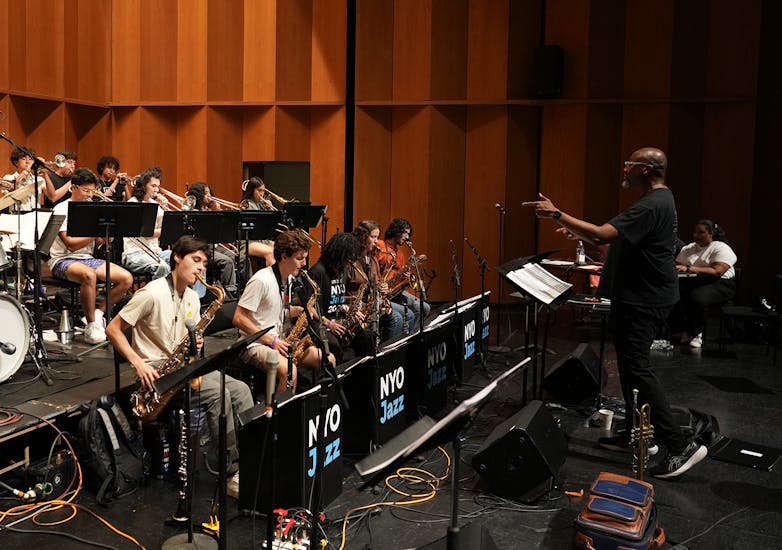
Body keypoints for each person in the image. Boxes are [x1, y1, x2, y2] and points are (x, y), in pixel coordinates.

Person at [523, 146, 707, 479]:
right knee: (629, 367)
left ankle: (680, 446)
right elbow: (615, 244)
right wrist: (580, 232)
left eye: (630, 165)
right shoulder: (657, 201)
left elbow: (602, 233)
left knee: (638, 369)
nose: (625, 170)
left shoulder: (652, 203)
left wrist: (555, 213)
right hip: (641, 296)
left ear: (647, 169)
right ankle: (639, 437)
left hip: (645, 299)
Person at [106, 235, 253, 497]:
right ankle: (230, 472)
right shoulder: (150, 293)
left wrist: (196, 345)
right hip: (157, 375)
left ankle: (249, 462)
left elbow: (190, 338)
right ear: (176, 258)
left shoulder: (193, 299)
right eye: (195, 260)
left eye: (204, 263)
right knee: (218, 395)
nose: (201, 268)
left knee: (241, 389)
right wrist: (138, 363)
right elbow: (113, 329)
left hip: (182, 369)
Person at [233, 229, 335, 394]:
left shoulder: (287, 279)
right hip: (255, 344)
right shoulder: (261, 280)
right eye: (299, 258)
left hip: (280, 340)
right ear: (284, 256)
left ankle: (315, 408)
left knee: (328, 359)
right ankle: (281, 416)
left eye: (305, 258)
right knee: (289, 370)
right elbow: (238, 318)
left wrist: (299, 311)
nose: (304, 264)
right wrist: (271, 341)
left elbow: (272, 310)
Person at [47, 168, 134, 344]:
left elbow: (100, 242)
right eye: (86, 190)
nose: (89, 195)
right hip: (62, 259)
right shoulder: (61, 209)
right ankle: (92, 326)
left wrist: (109, 233)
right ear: (73, 187)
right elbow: (70, 245)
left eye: (92, 191)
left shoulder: (91, 209)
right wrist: (96, 233)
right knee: (89, 275)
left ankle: (98, 313)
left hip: (87, 259)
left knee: (126, 278)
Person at [671, 219, 738, 348]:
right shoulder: (689, 248)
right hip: (696, 281)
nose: (696, 235)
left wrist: (690, 268)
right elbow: (678, 265)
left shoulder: (720, 247)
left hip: (721, 283)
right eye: (695, 232)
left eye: (701, 232)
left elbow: (717, 271)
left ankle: (697, 332)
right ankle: (681, 329)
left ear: (711, 233)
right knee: (671, 293)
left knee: (697, 297)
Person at [309, 232, 370, 360]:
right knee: (334, 345)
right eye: (348, 257)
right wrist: (330, 324)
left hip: (338, 318)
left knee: (366, 337)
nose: (351, 261)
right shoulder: (318, 272)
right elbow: (310, 308)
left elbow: (335, 299)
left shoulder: (343, 270)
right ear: (339, 253)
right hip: (321, 322)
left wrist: (349, 309)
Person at [351, 220, 414, 342]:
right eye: (373, 237)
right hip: (362, 302)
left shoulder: (372, 257)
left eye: (377, 237)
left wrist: (382, 286)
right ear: (363, 237)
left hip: (374, 299)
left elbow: (377, 280)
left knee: (409, 314)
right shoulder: (353, 259)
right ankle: (385, 354)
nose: (376, 241)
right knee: (396, 318)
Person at [377, 217, 430, 332]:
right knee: (409, 314)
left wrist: (404, 277)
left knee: (424, 308)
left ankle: (412, 336)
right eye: (405, 232)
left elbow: (400, 279)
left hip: (395, 291)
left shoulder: (400, 254)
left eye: (409, 234)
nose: (407, 237)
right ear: (396, 230)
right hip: (382, 292)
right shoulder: (380, 245)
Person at [185, 182, 237, 297]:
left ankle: (232, 288)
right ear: (199, 195)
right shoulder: (194, 211)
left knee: (234, 256)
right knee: (227, 261)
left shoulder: (208, 209)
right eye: (206, 193)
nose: (209, 196)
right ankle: (229, 293)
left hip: (214, 247)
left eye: (209, 192)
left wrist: (217, 212)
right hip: (202, 249)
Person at [122, 167, 172, 280]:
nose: (157, 190)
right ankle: (159, 297)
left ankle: (195, 297)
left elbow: (168, 224)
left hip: (155, 252)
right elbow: (147, 233)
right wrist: (169, 230)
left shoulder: (155, 204)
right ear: (144, 186)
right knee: (162, 267)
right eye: (153, 186)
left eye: (158, 186)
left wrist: (166, 208)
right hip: (134, 253)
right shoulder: (133, 204)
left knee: (189, 257)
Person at [238, 177, 275, 268]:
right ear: (251, 190)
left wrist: (269, 208)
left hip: (262, 240)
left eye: (263, 191)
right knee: (270, 252)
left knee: (282, 248)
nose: (262, 194)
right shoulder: (246, 204)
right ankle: (272, 279)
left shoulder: (259, 204)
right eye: (259, 190)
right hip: (248, 243)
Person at [2, 147, 45, 212]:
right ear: (16, 163)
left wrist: (45, 171)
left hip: (36, 216)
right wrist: (27, 170)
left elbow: (52, 197)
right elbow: (14, 187)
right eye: (24, 159)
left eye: (30, 159)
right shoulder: (8, 178)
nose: (28, 162)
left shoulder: (39, 179)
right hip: (17, 216)